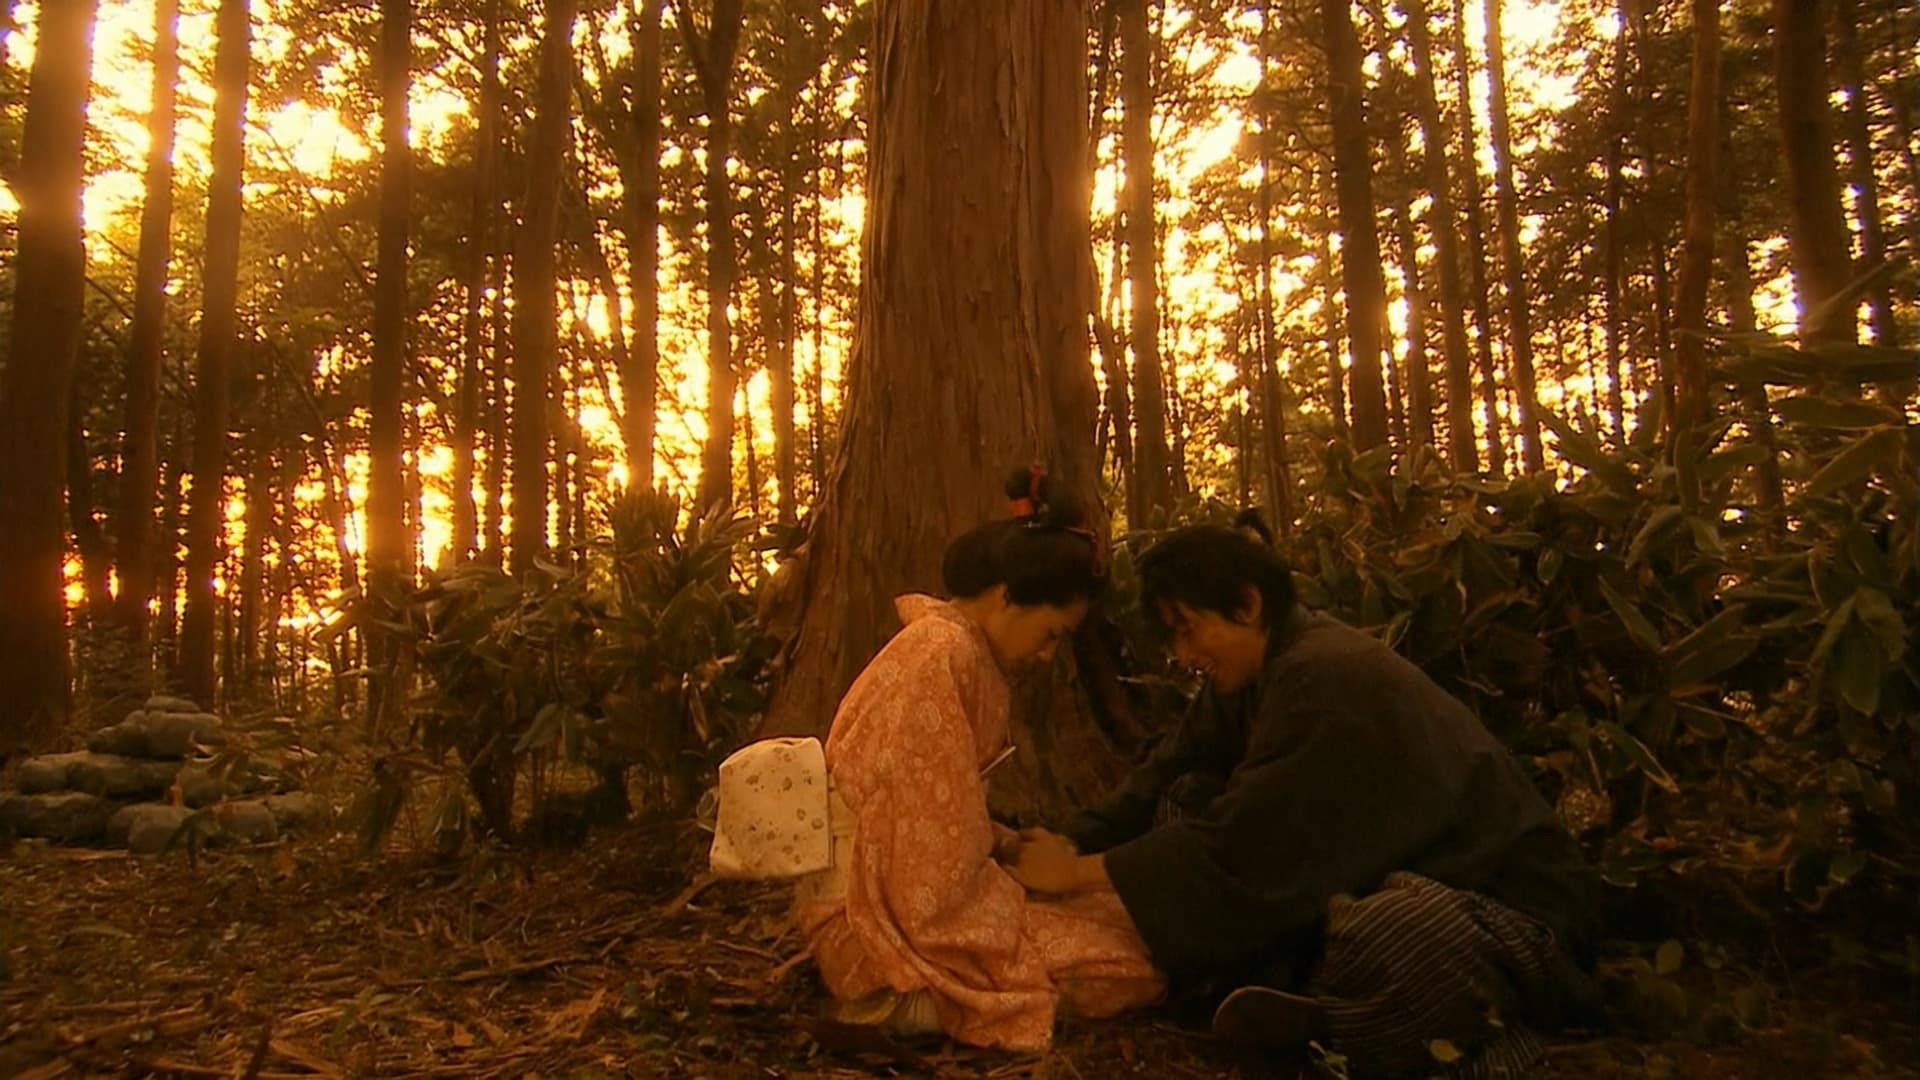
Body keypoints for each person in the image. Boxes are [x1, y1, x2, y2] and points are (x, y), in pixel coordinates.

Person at [1006, 516, 1604, 1077]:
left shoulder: (1325, 673)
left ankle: (1340, 1027)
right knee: (1183, 798)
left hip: (1509, 914)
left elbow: (1248, 837)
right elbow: (1165, 770)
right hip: (1370, 877)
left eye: (1187, 630)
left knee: (1390, 934)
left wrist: (1077, 874)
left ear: (1248, 604)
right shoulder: (1249, 674)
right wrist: (1070, 838)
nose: (1184, 657)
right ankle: (1310, 993)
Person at [793, 467, 1164, 1052]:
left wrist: (1005, 845)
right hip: (873, 920)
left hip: (907, 887)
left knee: (1117, 916)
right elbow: (921, 840)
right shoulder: (940, 655)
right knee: (1124, 962)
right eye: (1051, 633)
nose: (1047, 656)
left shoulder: (955, 649)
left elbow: (933, 811)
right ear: (1007, 595)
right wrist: (1004, 881)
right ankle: (908, 995)